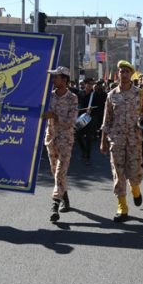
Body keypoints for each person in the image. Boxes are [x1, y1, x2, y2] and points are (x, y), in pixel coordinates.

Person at [100, 60, 143, 222]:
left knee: (135, 172)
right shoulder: (111, 95)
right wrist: (103, 140)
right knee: (118, 173)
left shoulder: (139, 93)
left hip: (135, 140)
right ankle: (122, 207)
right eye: (121, 71)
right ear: (118, 74)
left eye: (127, 71)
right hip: (116, 140)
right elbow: (107, 120)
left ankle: (135, 190)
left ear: (131, 74)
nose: (124, 74)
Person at [43, 66, 79, 222]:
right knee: (55, 172)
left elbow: (71, 121)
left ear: (64, 80)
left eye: (56, 77)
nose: (53, 79)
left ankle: (54, 206)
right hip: (51, 139)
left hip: (65, 140)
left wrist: (55, 117)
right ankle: (65, 197)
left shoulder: (72, 98)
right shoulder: (48, 96)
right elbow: (42, 114)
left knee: (59, 172)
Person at [76, 78, 101, 166]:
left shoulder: (95, 95)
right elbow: (77, 104)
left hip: (91, 118)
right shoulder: (80, 93)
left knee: (89, 138)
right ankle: (83, 150)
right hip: (81, 117)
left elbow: (99, 107)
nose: (90, 86)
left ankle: (88, 157)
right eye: (89, 84)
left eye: (92, 84)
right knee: (78, 136)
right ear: (85, 84)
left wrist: (92, 111)